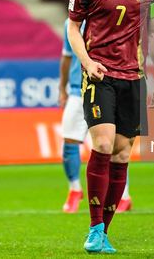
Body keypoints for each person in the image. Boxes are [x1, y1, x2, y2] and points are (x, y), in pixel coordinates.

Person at [67, 0, 154, 253]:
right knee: (105, 144)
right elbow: (72, 28)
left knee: (123, 154)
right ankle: (94, 228)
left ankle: (103, 233)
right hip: (101, 75)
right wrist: (87, 61)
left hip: (135, 77)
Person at [59, 19, 133, 213]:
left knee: (112, 145)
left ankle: (123, 196)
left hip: (106, 89)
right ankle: (75, 189)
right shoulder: (72, 23)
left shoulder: (113, 18)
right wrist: (62, 89)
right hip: (77, 89)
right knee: (69, 141)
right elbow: (67, 57)